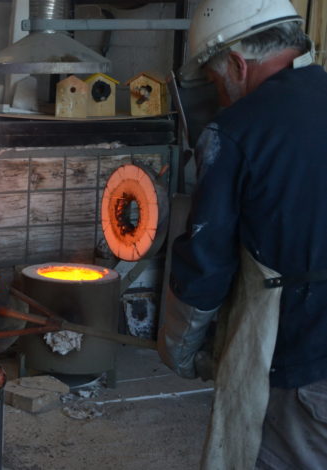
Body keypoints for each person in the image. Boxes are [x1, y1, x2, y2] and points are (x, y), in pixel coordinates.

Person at [158, 0, 327, 468]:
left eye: (216, 83)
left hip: (308, 358)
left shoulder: (235, 131)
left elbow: (206, 264)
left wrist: (180, 349)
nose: (222, 96)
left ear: (236, 63)